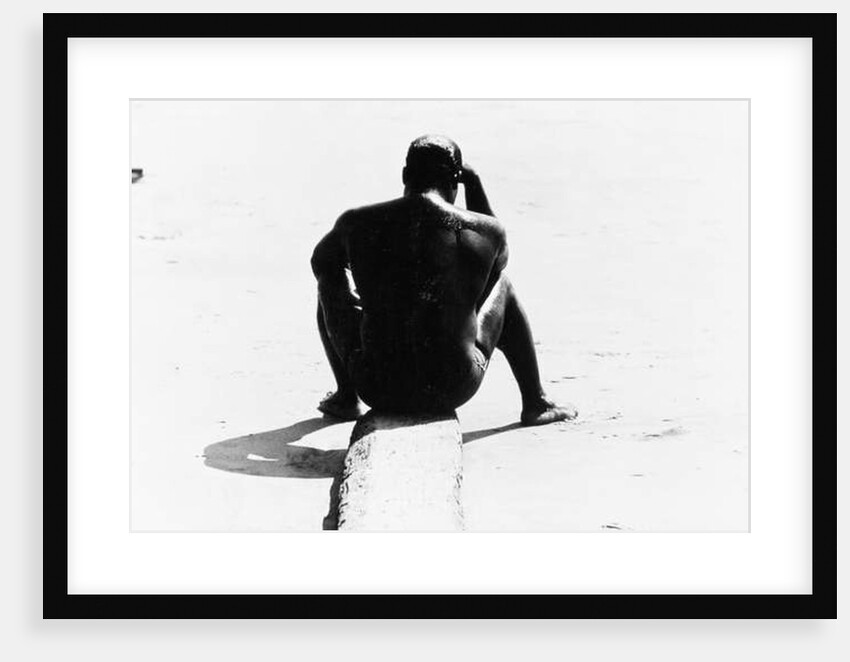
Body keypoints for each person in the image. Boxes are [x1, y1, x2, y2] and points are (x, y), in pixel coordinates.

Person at [310, 135, 577, 426]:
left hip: (377, 385)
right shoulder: (485, 230)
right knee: (504, 286)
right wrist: (473, 184)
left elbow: (321, 263)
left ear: (404, 175)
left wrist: (372, 297)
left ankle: (346, 397)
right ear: (455, 181)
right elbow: (495, 265)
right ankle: (535, 401)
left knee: (328, 283)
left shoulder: (356, 222)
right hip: (453, 386)